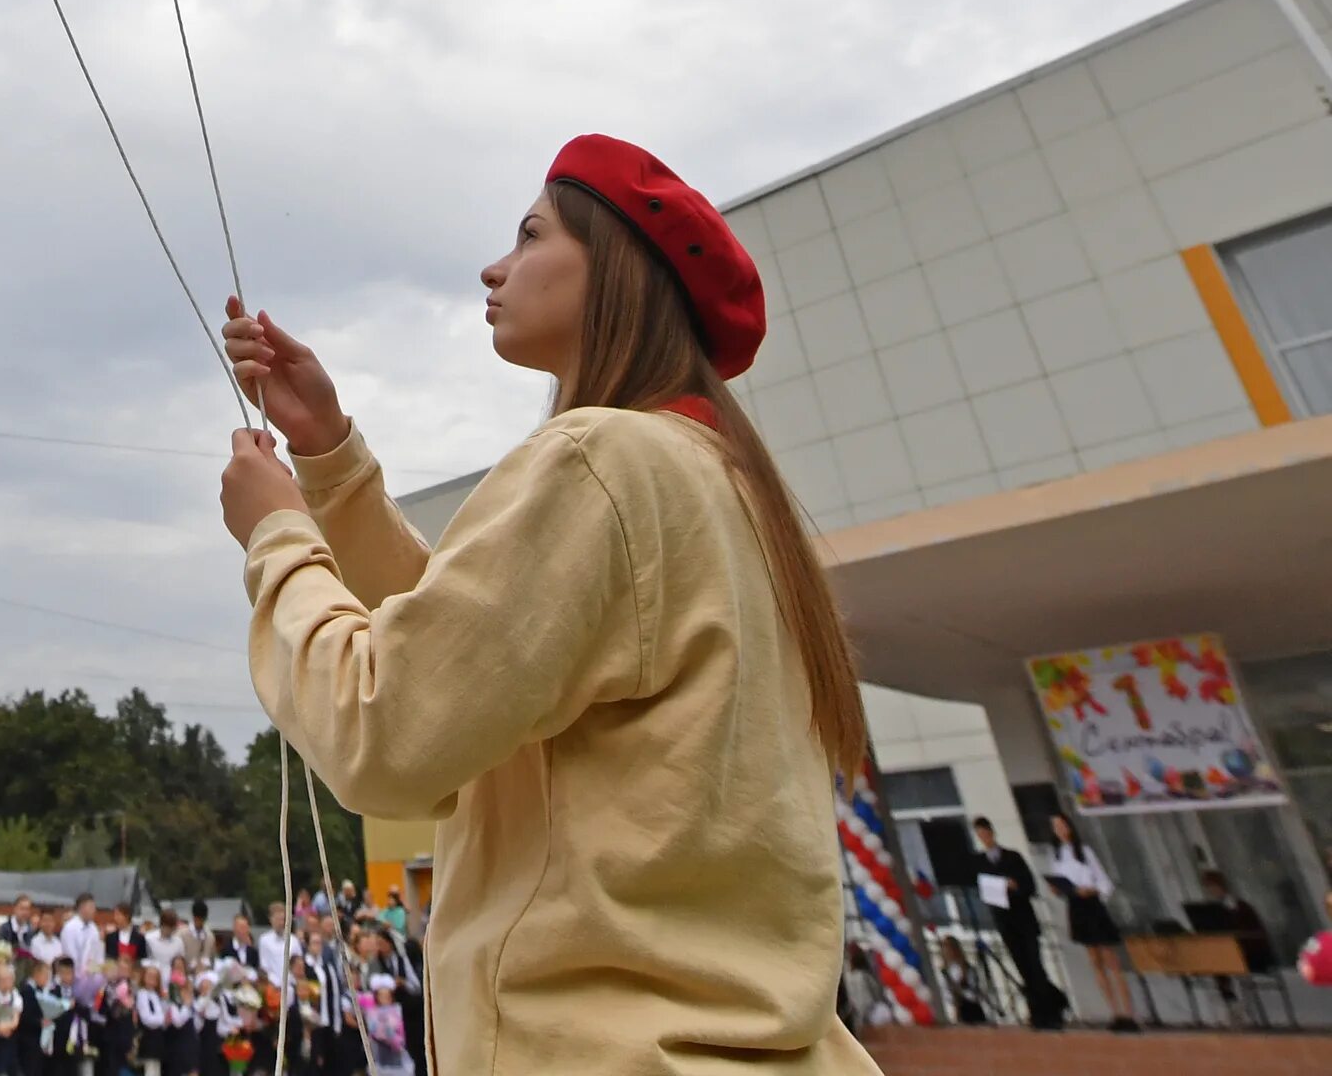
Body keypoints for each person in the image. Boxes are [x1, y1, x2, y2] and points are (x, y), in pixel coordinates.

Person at [220, 135, 881, 1071]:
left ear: (616, 271)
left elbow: (391, 727)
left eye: (531, 234)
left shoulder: (601, 458)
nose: (495, 266)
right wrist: (328, 456)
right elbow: (477, 664)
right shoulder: (715, 480)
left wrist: (277, 536)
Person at [967, 818, 1066, 1028]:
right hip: (1005, 920)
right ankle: (1037, 1012)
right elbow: (981, 889)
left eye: (986, 833)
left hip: (1024, 918)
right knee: (1022, 966)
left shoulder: (1012, 857)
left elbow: (1029, 886)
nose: (984, 838)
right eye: (980, 835)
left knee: (1035, 964)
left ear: (992, 833)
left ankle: (1050, 1011)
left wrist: (1015, 886)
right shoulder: (979, 862)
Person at [1042, 815, 1132, 1029]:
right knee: (1095, 960)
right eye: (1055, 827)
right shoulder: (1056, 856)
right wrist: (1057, 889)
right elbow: (1060, 885)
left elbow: (1102, 880)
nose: (1060, 830)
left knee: (1111, 959)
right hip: (1076, 905)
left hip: (1092, 903)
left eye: (1062, 825)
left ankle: (1128, 1012)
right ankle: (1114, 1012)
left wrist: (1092, 889)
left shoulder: (1084, 850)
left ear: (1069, 826)